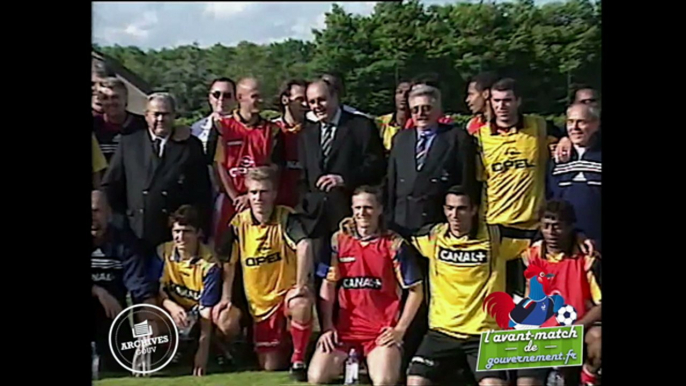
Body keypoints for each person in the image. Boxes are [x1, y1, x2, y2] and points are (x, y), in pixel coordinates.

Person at [405, 185, 547, 386]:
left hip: (485, 333)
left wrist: (579, 237)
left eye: (461, 208)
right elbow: (394, 234)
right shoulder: (432, 237)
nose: (454, 215)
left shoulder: (497, 237)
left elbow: (539, 236)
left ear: (474, 210)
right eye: (450, 208)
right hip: (441, 332)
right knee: (415, 381)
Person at [472, 77, 593, 298]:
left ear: (518, 101)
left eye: (507, 100)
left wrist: (564, 138)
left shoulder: (538, 127)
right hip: (495, 227)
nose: (501, 106)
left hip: (532, 229)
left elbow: (571, 136)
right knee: (497, 296)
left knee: (533, 295)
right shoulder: (479, 137)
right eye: (496, 101)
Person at [307, 185, 424, 386]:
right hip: (345, 331)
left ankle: (365, 365)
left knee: (384, 381)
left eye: (368, 208)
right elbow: (328, 284)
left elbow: (416, 290)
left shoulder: (394, 244)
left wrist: (399, 330)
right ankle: (354, 364)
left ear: (379, 209)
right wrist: (327, 327)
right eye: (358, 208)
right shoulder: (338, 240)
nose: (362, 213)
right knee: (316, 377)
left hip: (380, 333)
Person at [216, 166, 314, 381]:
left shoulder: (286, 217)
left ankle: (299, 359)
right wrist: (226, 298)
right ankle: (242, 351)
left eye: (264, 191)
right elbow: (228, 263)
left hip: (284, 298)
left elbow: (305, 245)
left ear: (274, 193)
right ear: (247, 194)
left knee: (301, 304)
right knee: (224, 318)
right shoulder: (238, 223)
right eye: (253, 192)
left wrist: (300, 286)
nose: (258, 197)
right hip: (257, 304)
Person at [101, 92, 212, 257]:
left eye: (165, 114)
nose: (160, 119)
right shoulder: (130, 143)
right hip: (135, 233)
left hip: (173, 235)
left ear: (174, 115)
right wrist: (120, 221)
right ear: (146, 116)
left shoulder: (190, 146)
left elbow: (202, 192)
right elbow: (111, 187)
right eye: (156, 114)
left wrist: (194, 224)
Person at [150, 205, 241, 376]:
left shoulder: (210, 264)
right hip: (174, 312)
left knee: (226, 321)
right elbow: (155, 290)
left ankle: (222, 350)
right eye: (176, 231)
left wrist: (203, 351)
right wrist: (172, 307)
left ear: (198, 233)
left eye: (187, 231)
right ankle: (162, 352)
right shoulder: (163, 252)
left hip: (200, 315)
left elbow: (206, 312)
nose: (180, 237)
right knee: (148, 316)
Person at [520, 200, 601, 386]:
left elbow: (601, 304)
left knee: (599, 338)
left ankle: (588, 377)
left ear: (570, 227)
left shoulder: (587, 258)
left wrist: (575, 328)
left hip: (578, 331)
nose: (551, 232)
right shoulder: (530, 255)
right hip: (540, 335)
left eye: (558, 227)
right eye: (546, 226)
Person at [213, 77, 285, 244]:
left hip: (261, 202)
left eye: (261, 96)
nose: (260, 101)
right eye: (255, 96)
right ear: (240, 98)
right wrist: (235, 197)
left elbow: (275, 167)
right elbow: (219, 165)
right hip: (230, 202)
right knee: (226, 250)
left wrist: (251, 196)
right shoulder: (222, 127)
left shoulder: (272, 130)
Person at [91, 190, 157, 371]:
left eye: (96, 211)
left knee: (123, 361)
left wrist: (146, 333)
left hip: (112, 317)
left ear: (109, 213)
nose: (92, 217)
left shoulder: (125, 243)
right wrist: (97, 290)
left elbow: (140, 292)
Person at [547, 103, 602, 251]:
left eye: (581, 122)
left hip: (596, 242)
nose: (574, 128)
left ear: (596, 124)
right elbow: (550, 201)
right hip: (564, 245)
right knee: (539, 275)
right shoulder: (557, 157)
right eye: (570, 122)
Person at [273, 79, 309, 208]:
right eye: (300, 99)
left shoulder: (315, 130)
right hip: (277, 201)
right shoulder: (271, 130)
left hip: (306, 201)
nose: (305, 104)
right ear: (285, 100)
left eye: (307, 99)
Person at [94, 77, 148, 162]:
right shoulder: (94, 125)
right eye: (105, 98)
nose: (110, 102)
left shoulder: (144, 125)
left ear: (125, 98)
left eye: (115, 97)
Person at [191, 77, 237, 159]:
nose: (221, 99)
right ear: (210, 98)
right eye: (216, 94)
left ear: (235, 99)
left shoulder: (245, 129)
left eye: (227, 95)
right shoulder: (196, 129)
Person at [306, 73, 373, 121]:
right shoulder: (308, 123)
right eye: (312, 102)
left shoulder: (360, 122)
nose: (317, 105)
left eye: (322, 99)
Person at [375, 81, 412, 153]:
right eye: (400, 92)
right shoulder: (380, 122)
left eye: (408, 92)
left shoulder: (421, 123)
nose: (404, 96)